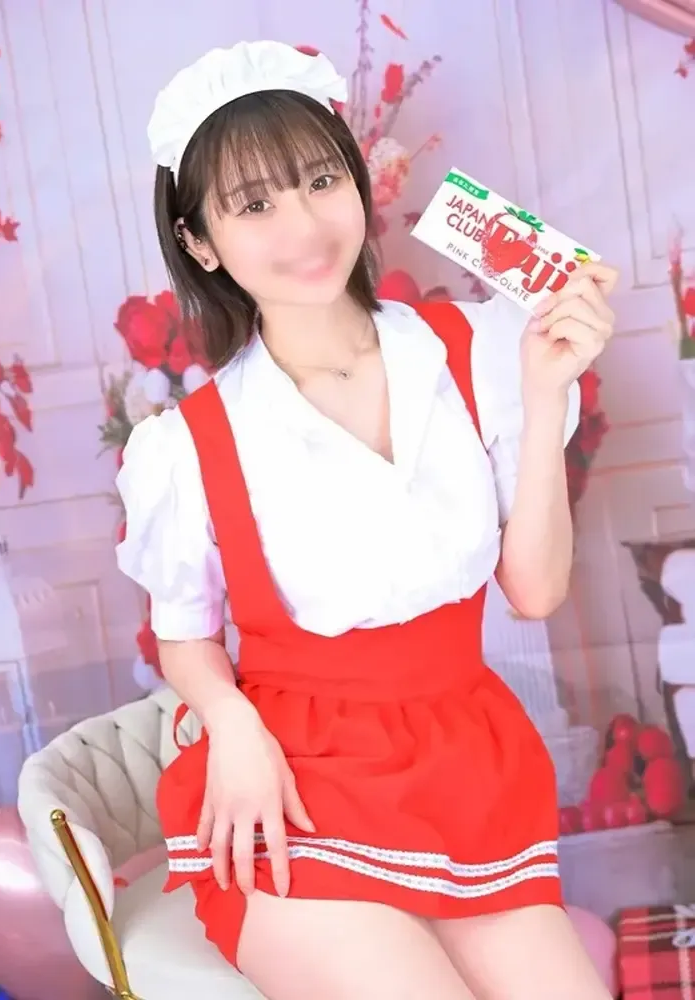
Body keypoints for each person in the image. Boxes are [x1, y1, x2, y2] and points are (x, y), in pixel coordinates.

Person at [117, 39, 618, 1000]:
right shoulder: (188, 445)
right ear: (200, 242)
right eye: (254, 205)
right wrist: (232, 726)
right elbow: (184, 634)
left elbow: (535, 589)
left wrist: (546, 389)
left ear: (356, 182)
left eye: (320, 181)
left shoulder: (480, 353)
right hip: (290, 790)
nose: (304, 226)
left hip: (464, 771)